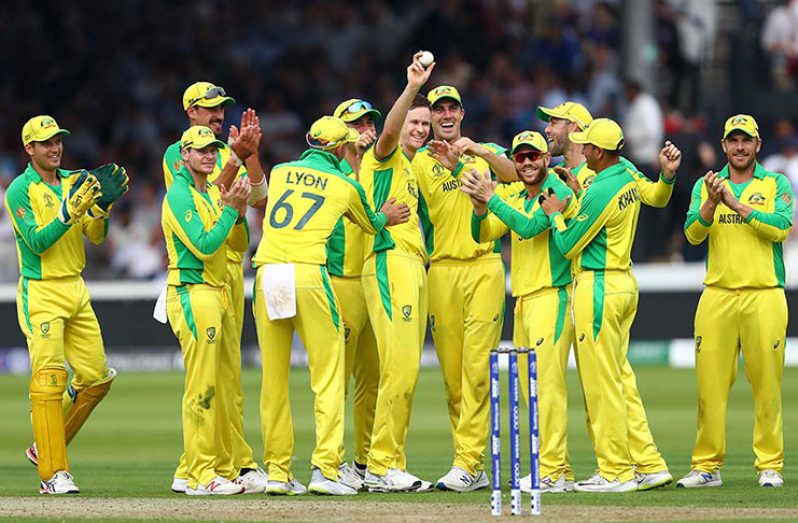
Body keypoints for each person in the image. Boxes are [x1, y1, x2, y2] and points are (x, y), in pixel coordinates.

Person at [251, 116, 410, 496]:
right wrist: (387, 216)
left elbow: (262, 198)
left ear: (310, 141)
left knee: (273, 381)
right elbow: (371, 224)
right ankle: (326, 468)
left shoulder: (282, 168)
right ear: (340, 149)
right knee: (328, 376)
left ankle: (277, 471)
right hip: (309, 273)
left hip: (268, 271)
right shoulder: (345, 183)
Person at [537, 101, 680, 491]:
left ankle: (615, 470)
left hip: (597, 285)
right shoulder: (627, 172)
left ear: (598, 152)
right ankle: (648, 463)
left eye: (586, 145)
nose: (581, 149)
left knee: (601, 384)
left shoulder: (601, 188)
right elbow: (657, 197)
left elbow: (567, 244)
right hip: (623, 282)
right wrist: (666, 178)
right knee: (619, 379)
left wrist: (555, 211)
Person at [6, 115, 127, 493]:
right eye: (45, 143)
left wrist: (101, 209)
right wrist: (67, 212)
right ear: (30, 149)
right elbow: (37, 242)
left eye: (58, 141)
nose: (55, 148)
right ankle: (53, 474)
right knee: (49, 380)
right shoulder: (19, 190)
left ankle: (43, 446)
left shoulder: (77, 180)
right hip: (41, 291)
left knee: (95, 379)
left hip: (76, 286)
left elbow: (94, 236)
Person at [163, 82, 268, 494]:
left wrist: (250, 154)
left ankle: (228, 464)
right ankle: (205, 469)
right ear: (190, 111)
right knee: (206, 378)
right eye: (209, 107)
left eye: (222, 107)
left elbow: (257, 198)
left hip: (225, 273)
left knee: (229, 377)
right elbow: (201, 216)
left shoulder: (226, 152)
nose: (218, 113)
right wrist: (234, 162)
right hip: (199, 274)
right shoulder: (179, 154)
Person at [679, 114, 793, 489]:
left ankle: (769, 466)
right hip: (718, 295)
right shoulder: (706, 184)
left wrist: (738, 205)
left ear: (758, 145)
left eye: (747, 141)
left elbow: (782, 227)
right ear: (724, 146)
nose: (740, 147)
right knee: (709, 386)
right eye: (733, 141)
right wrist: (713, 203)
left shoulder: (776, 183)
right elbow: (693, 235)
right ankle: (706, 466)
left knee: (767, 386)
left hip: (764, 294)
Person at [460, 130, 577, 493]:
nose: (527, 163)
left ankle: (553, 471)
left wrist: (491, 198)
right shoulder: (517, 197)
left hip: (552, 296)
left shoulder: (559, 190)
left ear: (546, 159)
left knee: (548, 386)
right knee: (533, 390)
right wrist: (480, 207)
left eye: (533, 156)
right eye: (520, 157)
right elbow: (483, 234)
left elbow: (529, 227)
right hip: (524, 300)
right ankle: (560, 469)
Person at [412, 85, 515, 492]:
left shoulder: (484, 149)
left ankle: (468, 461)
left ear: (463, 112)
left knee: (476, 372)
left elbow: (513, 176)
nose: (447, 115)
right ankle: (471, 465)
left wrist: (480, 154)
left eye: (453, 107)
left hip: (483, 266)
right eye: (439, 110)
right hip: (440, 271)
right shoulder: (419, 161)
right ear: (432, 117)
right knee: (454, 379)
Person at [348, 53, 434, 493]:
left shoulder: (413, 167)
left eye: (425, 124)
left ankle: (388, 462)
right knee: (398, 367)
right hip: (388, 260)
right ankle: (382, 464)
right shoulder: (384, 156)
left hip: (412, 265)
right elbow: (387, 132)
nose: (418, 129)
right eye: (414, 122)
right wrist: (413, 88)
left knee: (406, 370)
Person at [325, 97, 383, 489]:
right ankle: (333, 460)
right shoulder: (333, 175)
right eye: (359, 124)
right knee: (337, 380)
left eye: (370, 122)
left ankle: (365, 460)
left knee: (374, 379)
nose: (368, 129)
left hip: (374, 283)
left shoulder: (382, 169)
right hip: (341, 282)